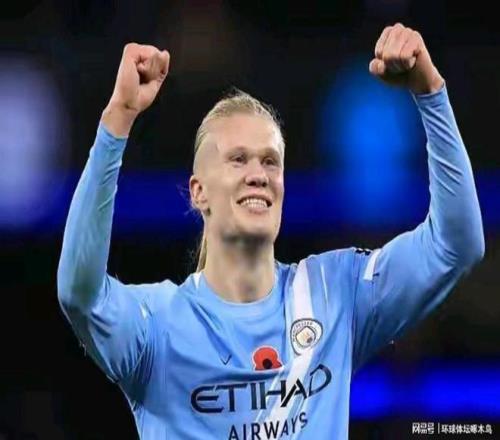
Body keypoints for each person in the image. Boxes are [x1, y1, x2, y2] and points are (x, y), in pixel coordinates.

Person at [57, 23, 484, 439]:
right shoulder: (159, 325)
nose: (258, 174)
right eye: (238, 159)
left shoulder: (336, 293)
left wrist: (430, 93)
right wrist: (117, 120)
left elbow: (455, 245)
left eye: (270, 161)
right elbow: (80, 294)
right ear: (199, 192)